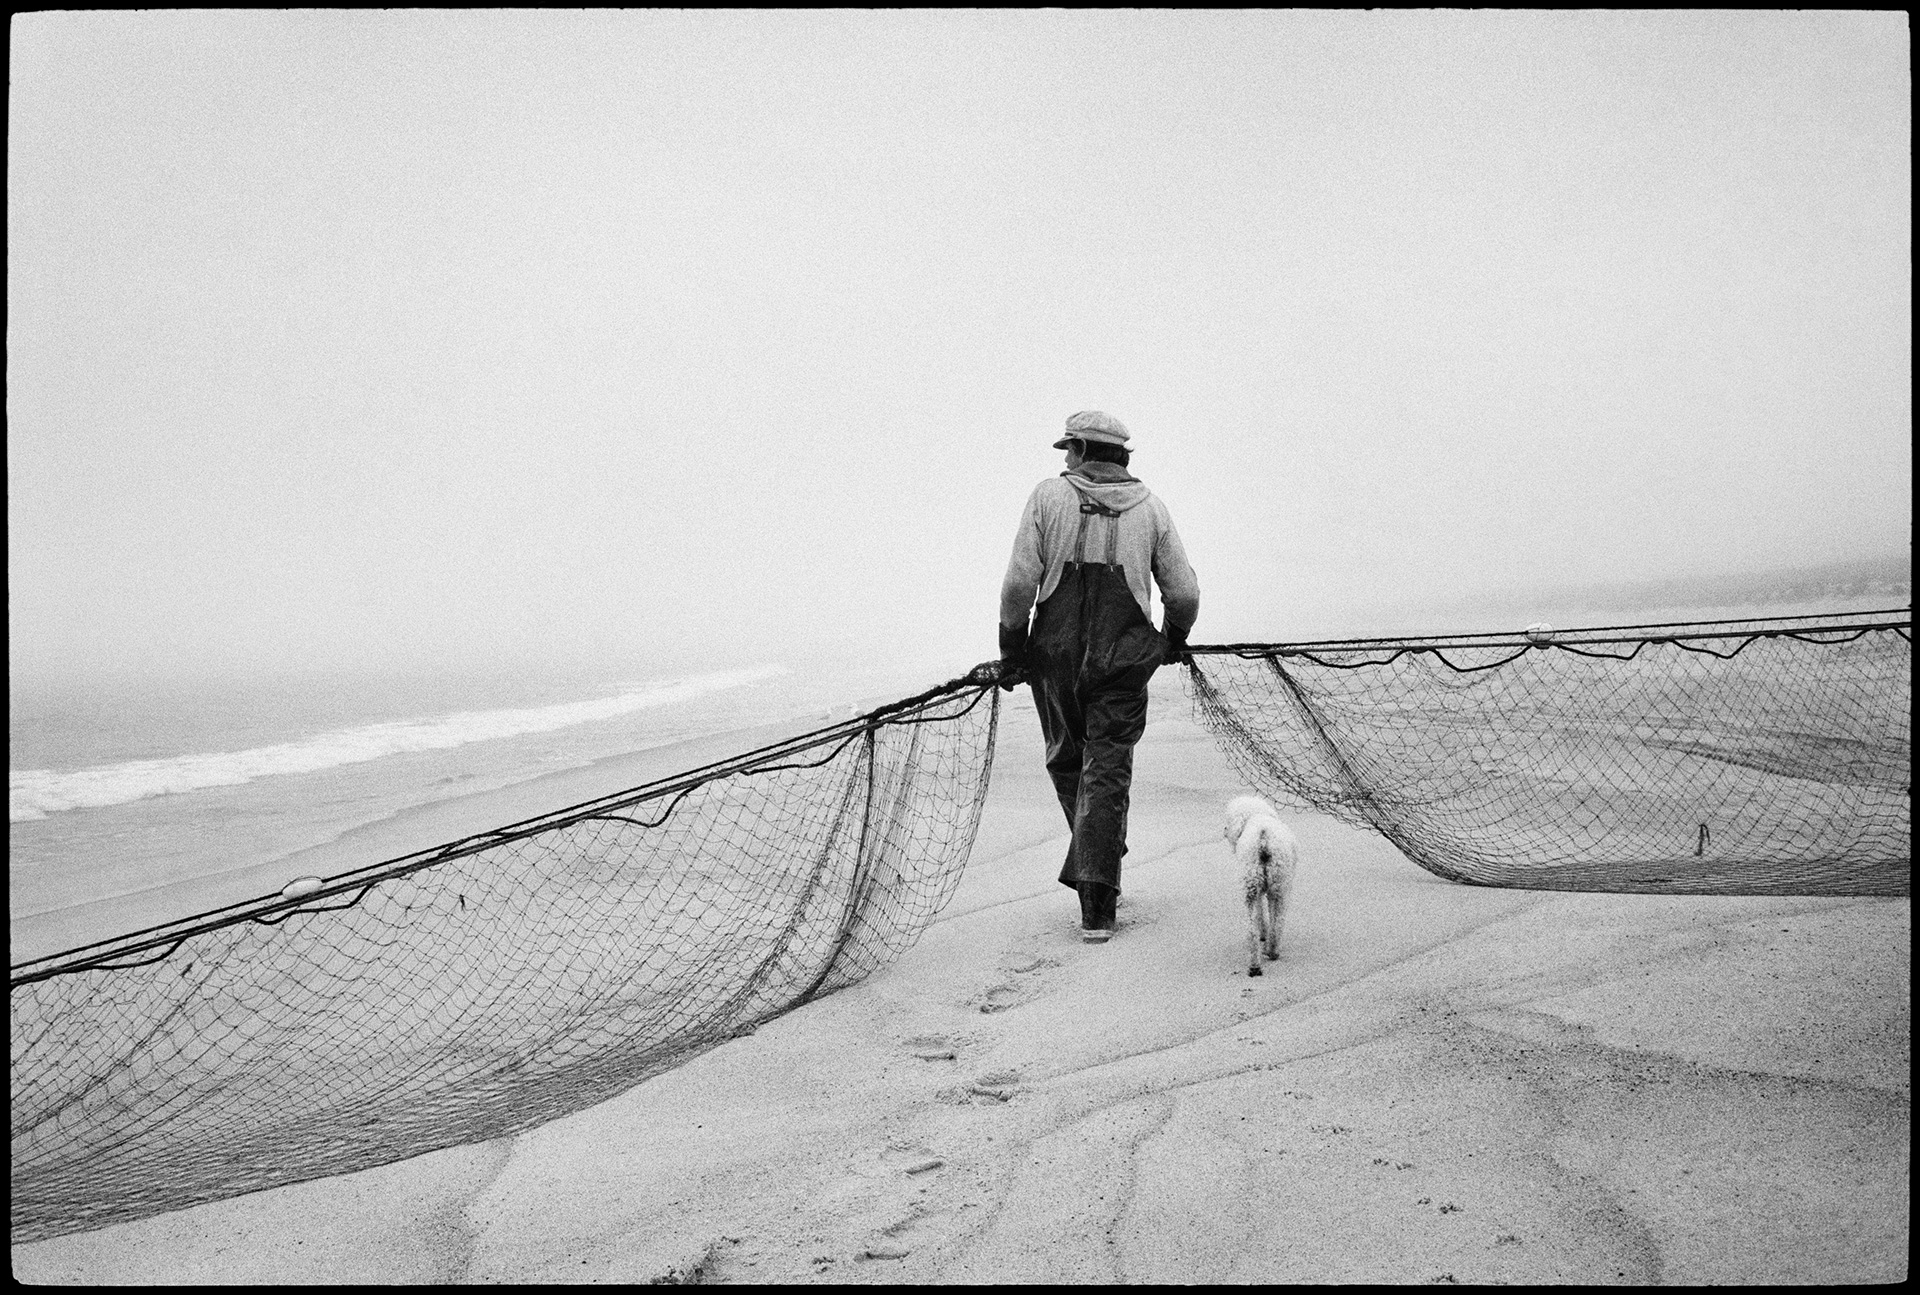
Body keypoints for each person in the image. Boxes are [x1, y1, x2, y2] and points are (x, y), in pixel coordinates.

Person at [994, 411, 1200, 943]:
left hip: (1054, 658)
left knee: (1067, 760)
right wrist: (1173, 639)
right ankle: (1099, 887)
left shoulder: (1046, 498)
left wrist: (1011, 649)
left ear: (1085, 449)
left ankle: (1096, 879)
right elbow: (1184, 595)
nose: (1064, 459)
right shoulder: (1152, 510)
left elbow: (1020, 584)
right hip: (1126, 661)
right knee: (1105, 774)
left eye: (1069, 449)